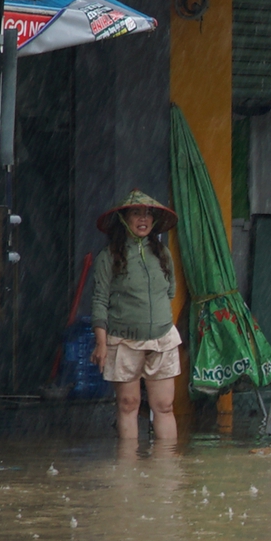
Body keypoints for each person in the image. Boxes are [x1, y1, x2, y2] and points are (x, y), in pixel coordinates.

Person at [91, 189, 183, 445]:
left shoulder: (162, 254)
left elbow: (171, 291)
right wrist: (101, 343)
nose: (143, 219)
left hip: (162, 338)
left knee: (164, 406)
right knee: (129, 404)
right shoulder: (109, 257)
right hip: (123, 339)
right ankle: (128, 473)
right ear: (124, 219)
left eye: (148, 214)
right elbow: (99, 301)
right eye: (136, 213)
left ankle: (166, 472)